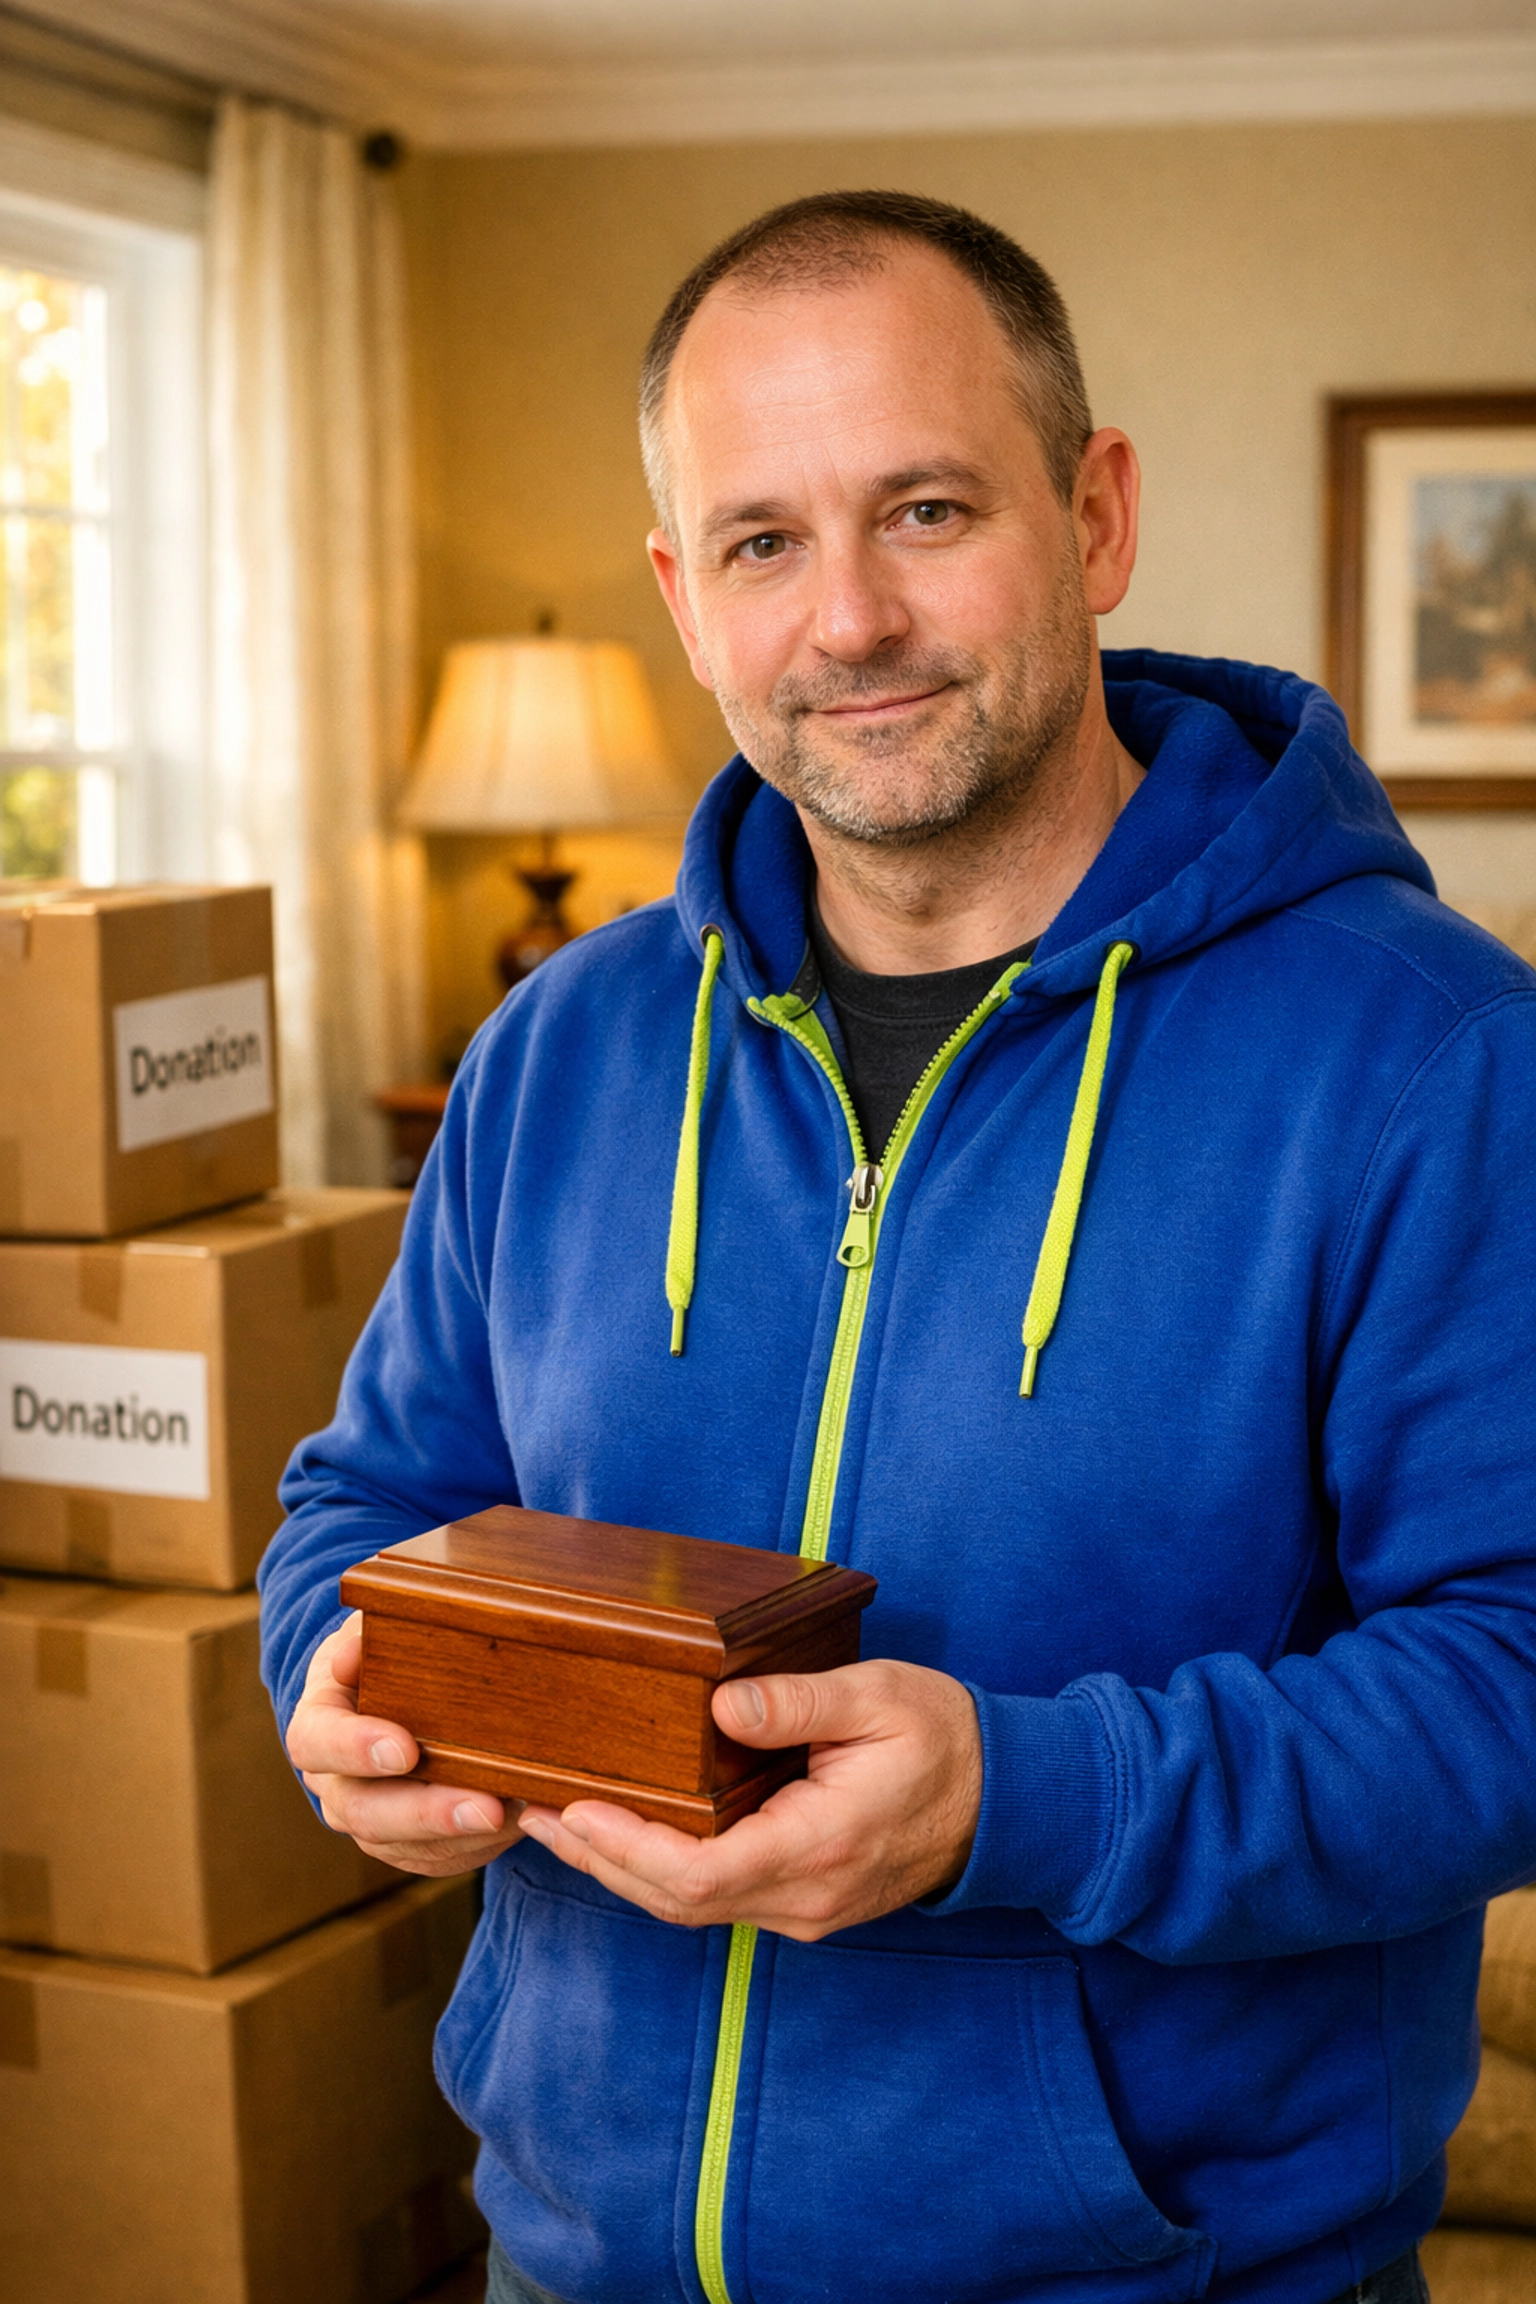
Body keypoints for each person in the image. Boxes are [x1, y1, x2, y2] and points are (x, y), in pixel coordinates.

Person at [260, 191, 1536, 2304]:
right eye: (763, 539)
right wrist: (341, 1684)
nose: (847, 617)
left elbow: (1508, 1670)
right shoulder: (559, 1044)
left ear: (1097, 516)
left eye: (926, 508)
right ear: (686, 597)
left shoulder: (1434, 1058)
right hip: (573, 2264)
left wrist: (1019, 1801)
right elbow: (369, 1500)